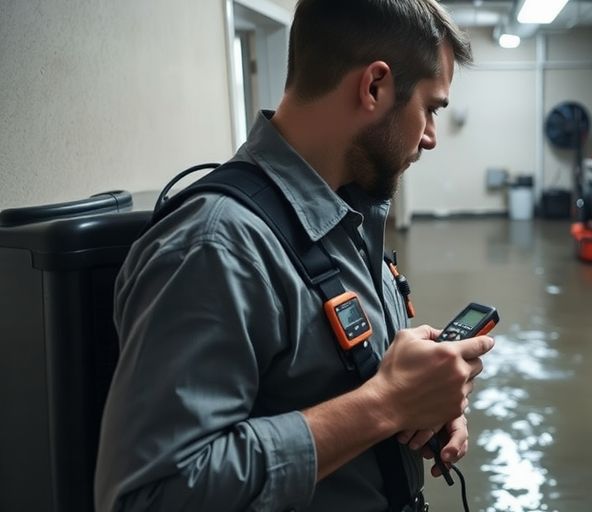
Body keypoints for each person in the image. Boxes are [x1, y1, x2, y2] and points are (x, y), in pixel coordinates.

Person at [94, 1, 489, 511]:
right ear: (374, 87)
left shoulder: (348, 215)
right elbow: (152, 495)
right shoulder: (216, 245)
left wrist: (421, 399)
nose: (431, 137)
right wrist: (386, 403)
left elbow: (344, 385)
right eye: (430, 108)